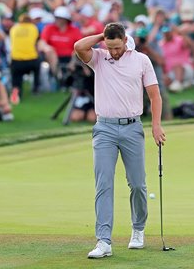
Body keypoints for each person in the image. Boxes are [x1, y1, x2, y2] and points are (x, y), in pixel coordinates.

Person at [74, 22, 166, 259]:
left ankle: (138, 229)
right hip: (104, 128)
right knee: (103, 183)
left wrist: (156, 125)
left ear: (126, 40)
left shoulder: (141, 60)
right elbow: (78, 46)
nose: (114, 52)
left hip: (132, 127)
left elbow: (154, 95)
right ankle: (103, 241)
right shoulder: (99, 58)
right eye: (110, 47)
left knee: (137, 184)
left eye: (117, 47)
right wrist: (102, 37)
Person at [9, 14, 40, 105]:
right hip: (31, 59)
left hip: (16, 60)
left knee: (16, 77)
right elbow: (36, 42)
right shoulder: (33, 28)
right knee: (37, 67)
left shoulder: (14, 28)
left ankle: (16, 92)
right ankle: (36, 88)